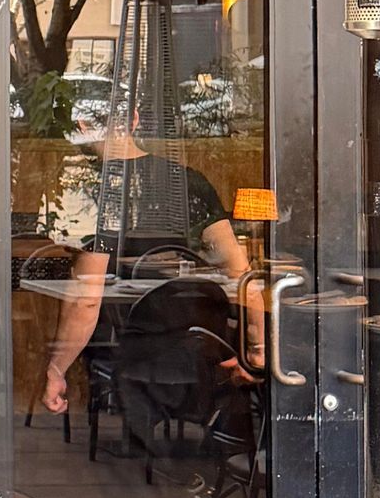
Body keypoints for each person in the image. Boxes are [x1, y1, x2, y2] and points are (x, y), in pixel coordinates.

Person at [40, 126, 263, 414]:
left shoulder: (96, 192)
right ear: (133, 120)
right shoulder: (188, 182)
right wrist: (257, 349)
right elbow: (242, 274)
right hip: (202, 355)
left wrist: (56, 370)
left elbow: (87, 299)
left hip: (132, 356)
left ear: (80, 127)